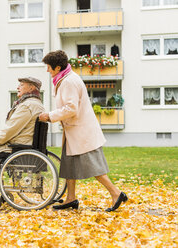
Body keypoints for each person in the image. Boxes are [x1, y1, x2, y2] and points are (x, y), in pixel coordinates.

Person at [39, 50, 128, 212]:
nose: (47, 70)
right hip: (74, 132)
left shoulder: (69, 82)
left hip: (81, 133)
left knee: (93, 167)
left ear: (58, 67)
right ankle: (71, 198)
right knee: (68, 164)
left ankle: (116, 193)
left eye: (49, 67)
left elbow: (71, 108)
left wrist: (49, 116)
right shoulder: (64, 78)